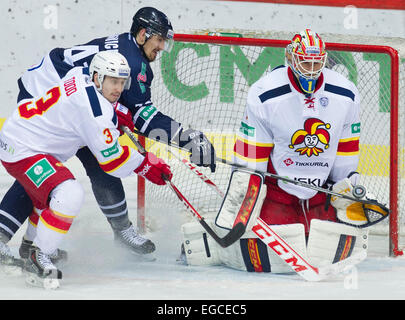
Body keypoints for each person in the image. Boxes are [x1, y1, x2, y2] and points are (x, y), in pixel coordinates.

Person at [0, 7, 216, 264]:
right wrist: (187, 138)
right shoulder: (133, 62)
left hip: (53, 91)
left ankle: (31, 238)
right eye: (159, 40)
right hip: (44, 98)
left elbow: (120, 107)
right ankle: (118, 230)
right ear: (144, 34)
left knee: (75, 164)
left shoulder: (128, 48)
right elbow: (143, 118)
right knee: (59, 167)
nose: (162, 47)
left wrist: (118, 111)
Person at [179, 29, 387, 273]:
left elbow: (346, 146)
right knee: (263, 253)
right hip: (278, 192)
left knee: (327, 250)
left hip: (321, 192)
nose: (310, 68)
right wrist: (246, 193)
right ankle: (211, 242)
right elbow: (250, 153)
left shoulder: (345, 93)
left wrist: (347, 184)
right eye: (304, 61)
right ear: (290, 58)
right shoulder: (266, 92)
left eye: (316, 62)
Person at [0, 51, 173, 287]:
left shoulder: (79, 74)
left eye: (122, 82)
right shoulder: (96, 112)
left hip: (25, 135)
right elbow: (113, 162)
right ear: (97, 77)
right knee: (68, 193)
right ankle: (38, 256)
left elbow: (87, 104)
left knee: (47, 196)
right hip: (22, 148)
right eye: (113, 81)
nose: (118, 89)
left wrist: (117, 114)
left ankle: (31, 245)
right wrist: (146, 166)